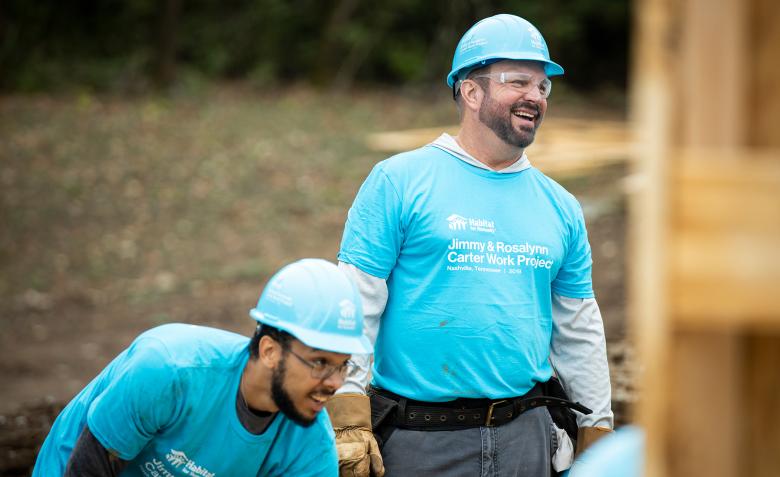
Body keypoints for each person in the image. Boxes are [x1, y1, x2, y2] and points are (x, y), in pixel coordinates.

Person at [327, 14, 614, 477]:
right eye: (518, 81)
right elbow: (354, 301)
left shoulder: (562, 207)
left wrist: (596, 427)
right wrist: (347, 412)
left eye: (543, 87)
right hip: (417, 440)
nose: (535, 97)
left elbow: (578, 327)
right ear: (470, 91)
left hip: (528, 437)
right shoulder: (398, 182)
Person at [33, 258, 373, 477]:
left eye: (343, 366)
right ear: (270, 351)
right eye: (319, 363)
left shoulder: (312, 448)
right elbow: (90, 467)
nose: (334, 383)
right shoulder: (169, 370)